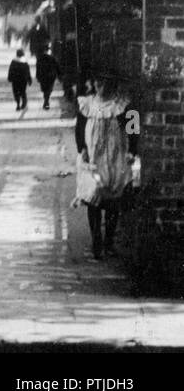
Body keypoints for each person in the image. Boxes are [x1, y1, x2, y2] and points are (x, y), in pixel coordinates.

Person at [75, 77, 138, 259]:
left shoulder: (123, 105)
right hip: (94, 156)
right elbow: (79, 129)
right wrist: (82, 149)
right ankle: (96, 241)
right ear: (93, 84)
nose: (100, 87)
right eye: (97, 83)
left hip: (115, 156)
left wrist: (132, 150)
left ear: (112, 84)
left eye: (104, 83)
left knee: (112, 198)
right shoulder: (86, 104)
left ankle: (109, 242)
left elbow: (134, 128)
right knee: (93, 194)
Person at [35, 43, 62, 110]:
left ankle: (46, 101)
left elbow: (38, 68)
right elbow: (57, 67)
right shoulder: (52, 58)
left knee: (45, 90)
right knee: (49, 89)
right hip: (51, 76)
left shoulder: (40, 58)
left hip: (43, 76)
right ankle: (46, 101)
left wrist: (38, 76)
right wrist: (59, 76)